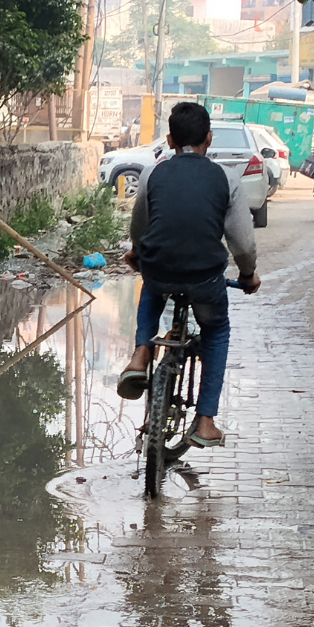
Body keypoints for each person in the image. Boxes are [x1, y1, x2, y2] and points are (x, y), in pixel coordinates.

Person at [116, 102, 261, 447]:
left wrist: (138, 254)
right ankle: (205, 421)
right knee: (217, 330)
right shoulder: (225, 178)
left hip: (161, 269)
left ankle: (140, 354)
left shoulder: (154, 173)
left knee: (151, 284)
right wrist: (248, 275)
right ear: (209, 139)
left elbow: (141, 226)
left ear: (169, 139)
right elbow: (242, 243)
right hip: (205, 278)